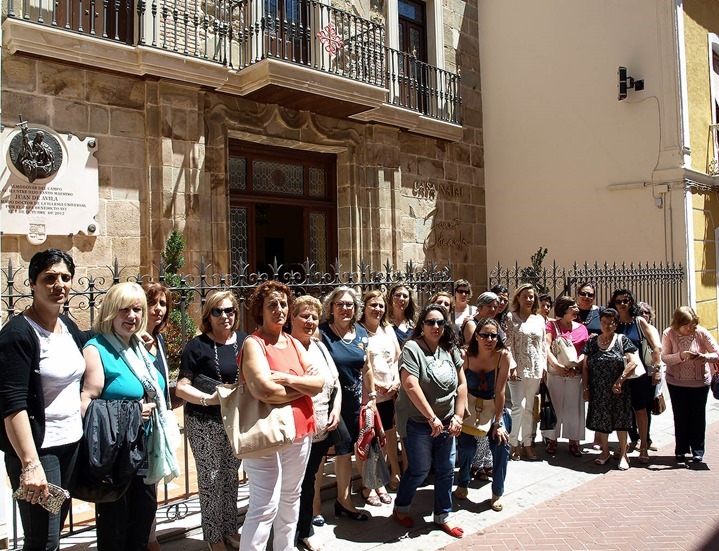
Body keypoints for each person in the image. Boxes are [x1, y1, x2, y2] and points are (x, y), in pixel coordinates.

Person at [0, 249, 89, 551]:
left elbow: (93, 344)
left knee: (54, 531)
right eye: (49, 278)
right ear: (32, 284)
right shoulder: (18, 334)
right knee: (43, 540)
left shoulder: (68, 327)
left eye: (65, 277)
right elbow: (12, 403)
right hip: (40, 452)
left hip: (70, 445)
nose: (59, 285)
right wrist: (30, 463)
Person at [81, 282, 179, 550]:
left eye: (137, 309)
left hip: (145, 451)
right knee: (115, 532)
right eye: (124, 309)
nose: (132, 316)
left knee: (140, 527)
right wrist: (134, 412)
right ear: (111, 311)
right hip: (117, 456)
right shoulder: (96, 348)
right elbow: (87, 404)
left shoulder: (138, 347)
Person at [240, 281, 323, 551]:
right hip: (267, 433)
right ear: (260, 311)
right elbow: (264, 390)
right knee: (265, 505)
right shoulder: (254, 343)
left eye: (284, 304)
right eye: (272, 305)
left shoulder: (294, 343)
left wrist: (286, 379)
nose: (279, 310)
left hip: (300, 431)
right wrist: (301, 387)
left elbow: (319, 383)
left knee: (290, 499)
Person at [175, 291, 247, 550]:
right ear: (208, 316)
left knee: (231, 477)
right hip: (204, 421)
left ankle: (230, 529)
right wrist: (210, 399)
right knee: (211, 479)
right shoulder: (197, 346)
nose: (224, 316)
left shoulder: (245, 341)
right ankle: (213, 536)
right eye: (217, 311)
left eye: (229, 311)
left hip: (235, 420)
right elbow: (182, 387)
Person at [392, 304, 467, 538]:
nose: (436, 326)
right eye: (430, 322)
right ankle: (401, 507)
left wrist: (458, 416)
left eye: (440, 322)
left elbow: (462, 384)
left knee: (446, 470)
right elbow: (410, 384)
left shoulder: (450, 349)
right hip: (418, 422)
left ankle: (443, 515)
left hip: (446, 420)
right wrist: (431, 417)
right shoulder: (412, 348)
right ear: (421, 326)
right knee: (419, 469)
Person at [318, 287, 374, 521]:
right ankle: (313, 509)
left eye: (349, 304)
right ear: (331, 308)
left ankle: (344, 501)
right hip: (326, 403)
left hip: (353, 404)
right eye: (339, 304)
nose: (345, 308)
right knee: (320, 454)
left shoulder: (361, 333)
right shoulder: (322, 333)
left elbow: (367, 367)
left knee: (345, 452)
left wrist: (370, 399)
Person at [293, 295, 341, 551]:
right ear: (292, 317)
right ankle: (286, 534)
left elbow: (335, 382)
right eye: (304, 316)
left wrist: (337, 408)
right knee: (292, 485)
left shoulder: (320, 346)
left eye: (314, 317)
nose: (310, 321)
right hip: (296, 431)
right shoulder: (286, 346)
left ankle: (304, 530)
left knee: (309, 480)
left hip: (321, 428)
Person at [455, 318, 511, 511]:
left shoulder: (503, 356)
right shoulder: (465, 355)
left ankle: (497, 492)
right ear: (476, 336)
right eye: (485, 335)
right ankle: (463, 483)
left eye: (493, 335)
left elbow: (500, 390)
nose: (489, 339)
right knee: (467, 446)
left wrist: (498, 421)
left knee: (501, 445)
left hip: (493, 406)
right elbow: (459, 385)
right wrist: (460, 412)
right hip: (468, 406)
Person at [581, 308, 641, 471]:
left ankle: (622, 454)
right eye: (604, 323)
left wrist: (619, 381)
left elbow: (633, 362)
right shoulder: (592, 343)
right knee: (602, 422)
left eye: (611, 323)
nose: (607, 326)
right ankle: (605, 452)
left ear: (616, 324)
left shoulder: (622, 340)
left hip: (619, 390)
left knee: (621, 422)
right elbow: (585, 367)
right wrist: (585, 388)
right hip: (598, 390)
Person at [608, 289, 662, 464]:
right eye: (619, 301)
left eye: (626, 300)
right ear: (614, 303)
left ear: (631, 302)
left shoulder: (638, 322)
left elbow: (655, 347)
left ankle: (644, 445)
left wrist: (657, 369)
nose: (623, 304)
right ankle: (624, 446)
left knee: (640, 410)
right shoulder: (613, 323)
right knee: (621, 411)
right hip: (619, 374)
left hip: (639, 375)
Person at [661, 307, 719, 463]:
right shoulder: (669, 333)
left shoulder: (701, 333)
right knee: (680, 416)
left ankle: (698, 450)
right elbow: (665, 358)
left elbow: (717, 353)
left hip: (699, 383)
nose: (689, 329)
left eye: (692, 325)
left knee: (698, 416)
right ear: (677, 323)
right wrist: (681, 356)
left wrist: (703, 357)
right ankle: (681, 449)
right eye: (686, 326)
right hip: (676, 382)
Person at [359, 290, 401, 494]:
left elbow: (397, 358)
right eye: (373, 305)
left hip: (389, 392)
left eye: (381, 306)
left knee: (388, 434)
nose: (377, 309)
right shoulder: (358, 331)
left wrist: (396, 381)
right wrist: (376, 385)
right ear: (364, 308)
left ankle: (387, 475)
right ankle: (371, 482)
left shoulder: (388, 330)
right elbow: (361, 365)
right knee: (370, 436)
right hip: (369, 393)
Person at [143, 283, 172, 551]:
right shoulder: (134, 339)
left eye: (163, 304)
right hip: (140, 423)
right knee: (143, 486)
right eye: (153, 302)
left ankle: (150, 536)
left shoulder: (158, 340)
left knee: (151, 484)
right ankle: (148, 539)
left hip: (157, 423)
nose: (159, 309)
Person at [505, 283, 547, 461]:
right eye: (525, 296)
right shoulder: (511, 318)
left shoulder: (539, 320)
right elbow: (507, 343)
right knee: (518, 407)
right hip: (517, 368)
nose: (529, 300)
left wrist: (544, 366)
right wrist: (512, 365)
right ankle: (513, 443)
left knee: (530, 408)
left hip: (535, 368)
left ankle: (527, 444)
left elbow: (543, 345)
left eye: (531, 296)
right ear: (518, 299)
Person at [543, 296, 588, 456]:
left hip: (575, 373)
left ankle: (574, 441)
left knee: (573, 407)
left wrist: (577, 366)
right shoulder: (552, 325)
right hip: (556, 373)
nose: (577, 309)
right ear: (564, 309)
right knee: (554, 405)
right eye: (573, 306)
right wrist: (557, 366)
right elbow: (546, 348)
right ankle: (552, 440)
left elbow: (585, 351)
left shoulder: (582, 328)